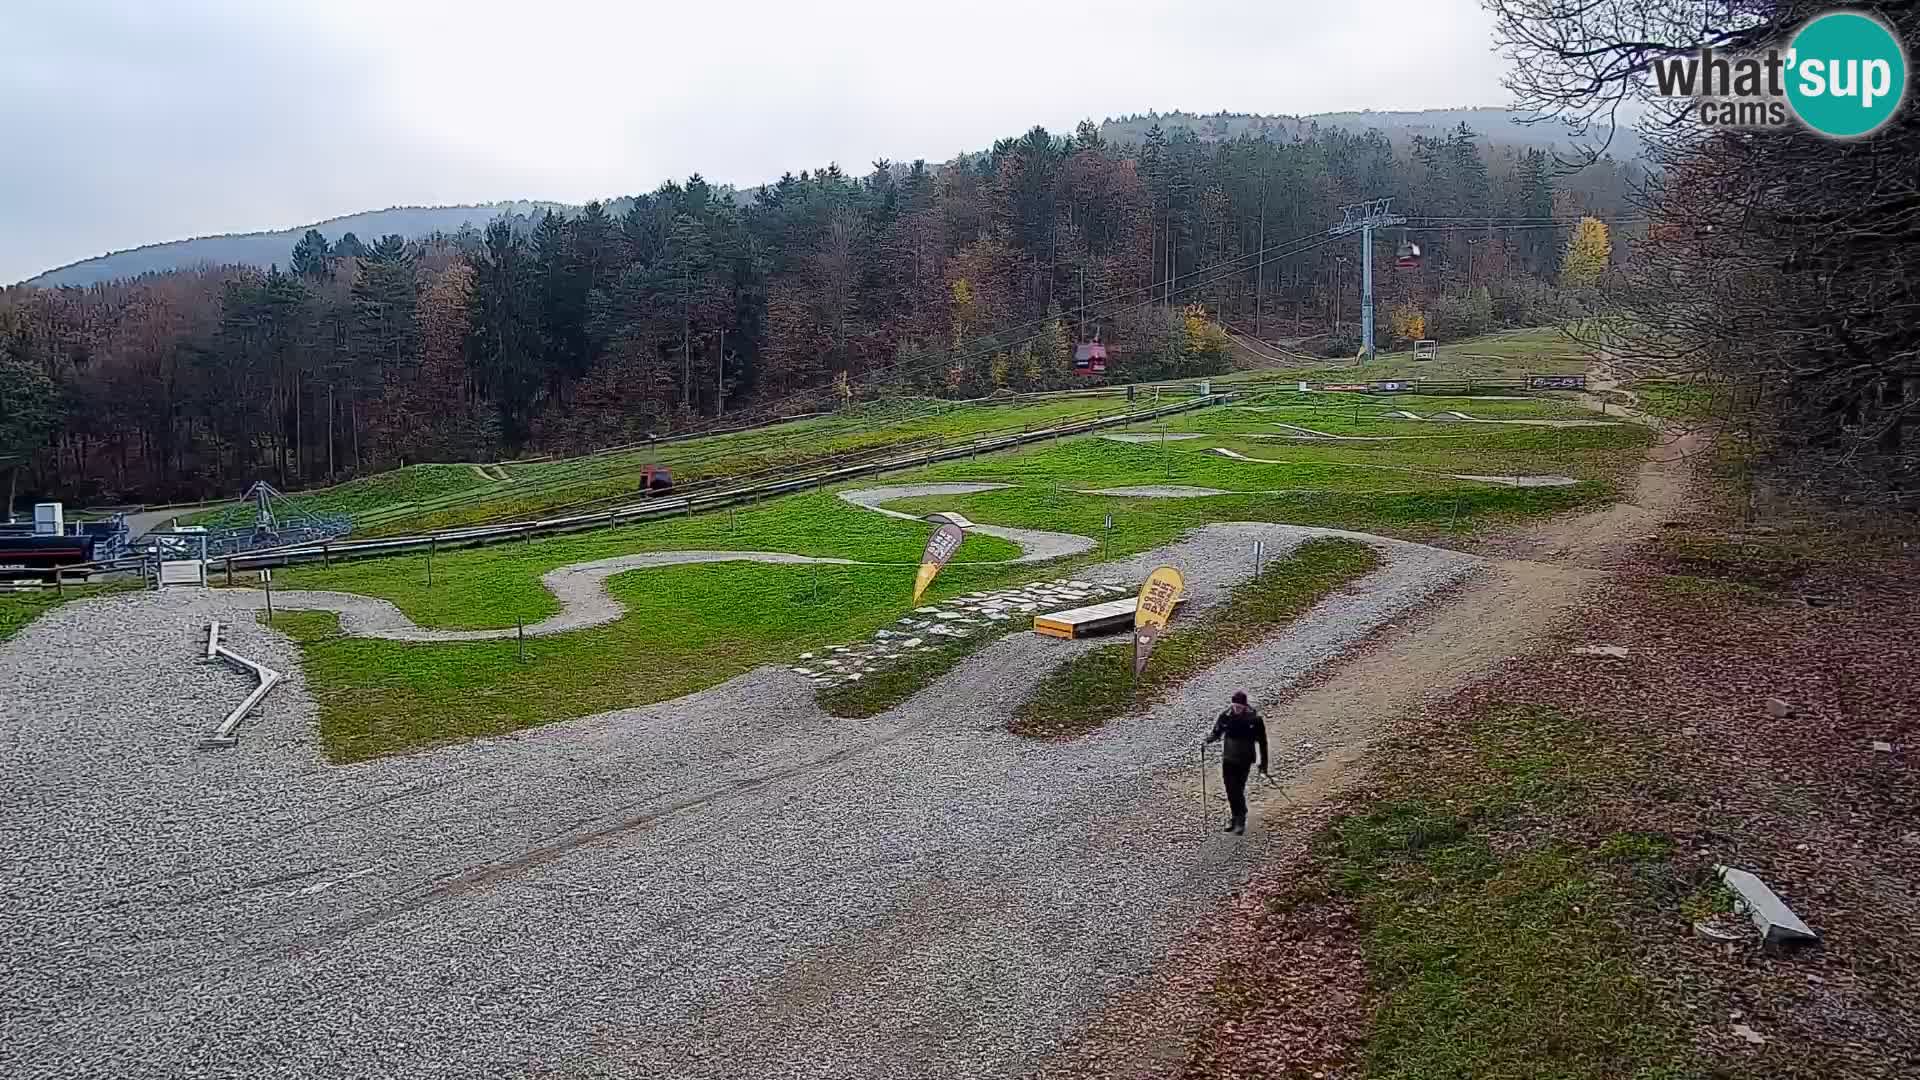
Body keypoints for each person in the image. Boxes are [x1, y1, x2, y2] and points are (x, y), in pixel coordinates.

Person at [1204, 691, 1268, 834]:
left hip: (1244, 759)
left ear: (1245, 706)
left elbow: (1262, 743)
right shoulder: (1225, 716)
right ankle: (1236, 816)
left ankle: (1240, 819)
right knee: (1230, 789)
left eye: (1240, 706)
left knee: (1237, 789)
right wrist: (1208, 740)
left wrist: (1263, 764)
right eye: (1235, 706)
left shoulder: (1254, 720)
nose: (1237, 709)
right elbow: (1217, 732)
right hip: (1229, 758)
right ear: (1232, 704)